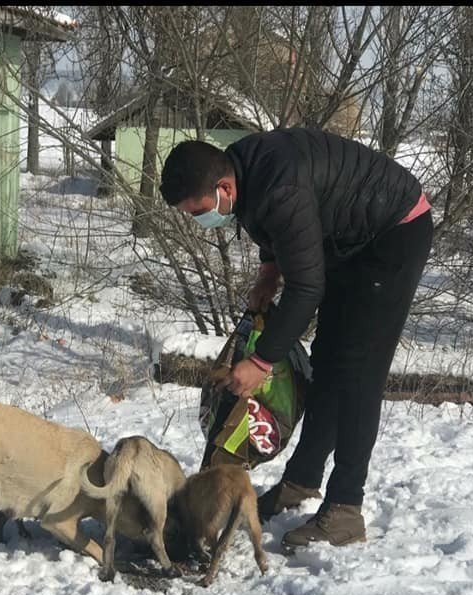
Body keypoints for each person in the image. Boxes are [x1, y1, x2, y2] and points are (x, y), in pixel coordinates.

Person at [158, 127, 433, 551]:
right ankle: (302, 481)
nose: (199, 221)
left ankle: (345, 508)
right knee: (327, 361)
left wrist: (261, 362)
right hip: (348, 238)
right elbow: (281, 232)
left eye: (198, 212)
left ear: (223, 187)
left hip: (393, 233)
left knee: (359, 372)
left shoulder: (277, 188)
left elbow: (307, 289)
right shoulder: (243, 173)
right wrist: (270, 271)